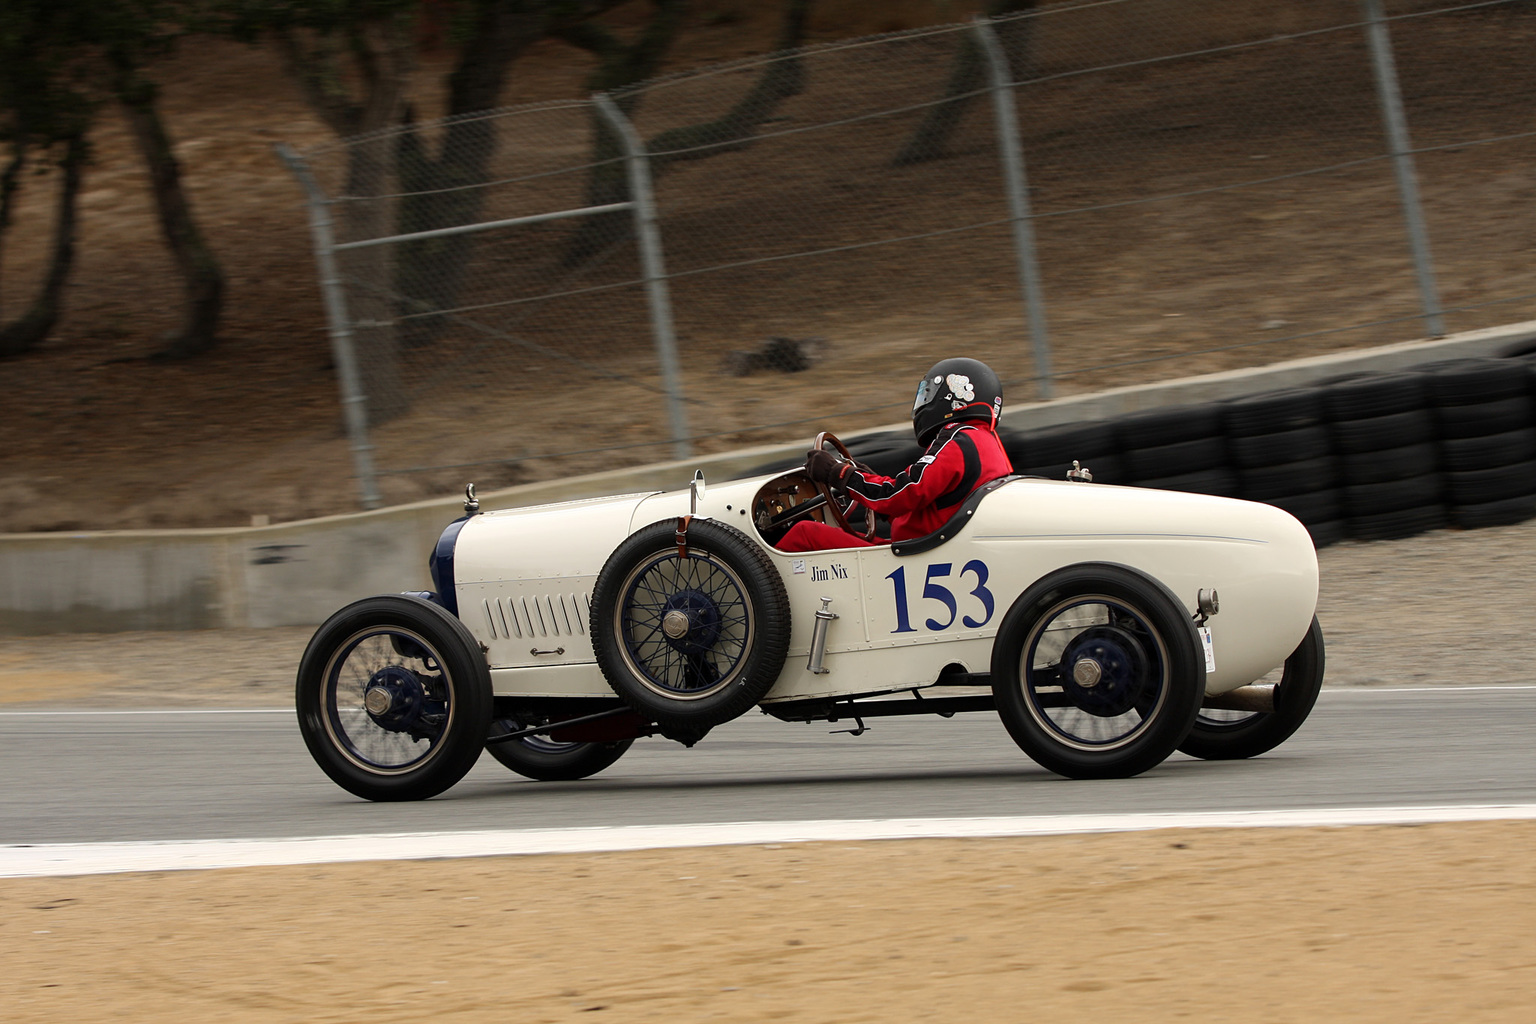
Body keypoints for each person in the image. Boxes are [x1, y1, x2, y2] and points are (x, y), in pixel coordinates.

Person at [777, 357, 1014, 552]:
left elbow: (903, 494)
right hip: (935, 547)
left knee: (805, 533)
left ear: (951, 399)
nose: (923, 403)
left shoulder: (957, 440)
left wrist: (838, 473)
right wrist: (869, 487)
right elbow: (935, 507)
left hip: (921, 556)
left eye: (929, 395)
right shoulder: (987, 442)